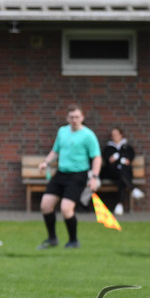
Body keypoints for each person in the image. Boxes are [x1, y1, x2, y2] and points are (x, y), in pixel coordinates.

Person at [36, 104, 101, 250]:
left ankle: (73, 241)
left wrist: (94, 177)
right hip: (61, 173)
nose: (74, 120)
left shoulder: (88, 135)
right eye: (71, 117)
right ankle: (52, 239)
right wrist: (46, 162)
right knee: (45, 205)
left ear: (82, 118)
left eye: (77, 117)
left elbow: (96, 157)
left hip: (78, 175)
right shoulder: (62, 131)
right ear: (67, 118)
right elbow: (56, 151)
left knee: (66, 208)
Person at [99, 126, 141, 215]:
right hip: (111, 173)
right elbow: (108, 160)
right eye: (113, 135)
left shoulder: (127, 147)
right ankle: (132, 188)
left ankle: (119, 205)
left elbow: (129, 159)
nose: (114, 137)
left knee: (121, 180)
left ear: (121, 135)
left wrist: (117, 158)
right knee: (120, 172)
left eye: (116, 135)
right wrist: (121, 160)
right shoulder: (108, 148)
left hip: (123, 175)